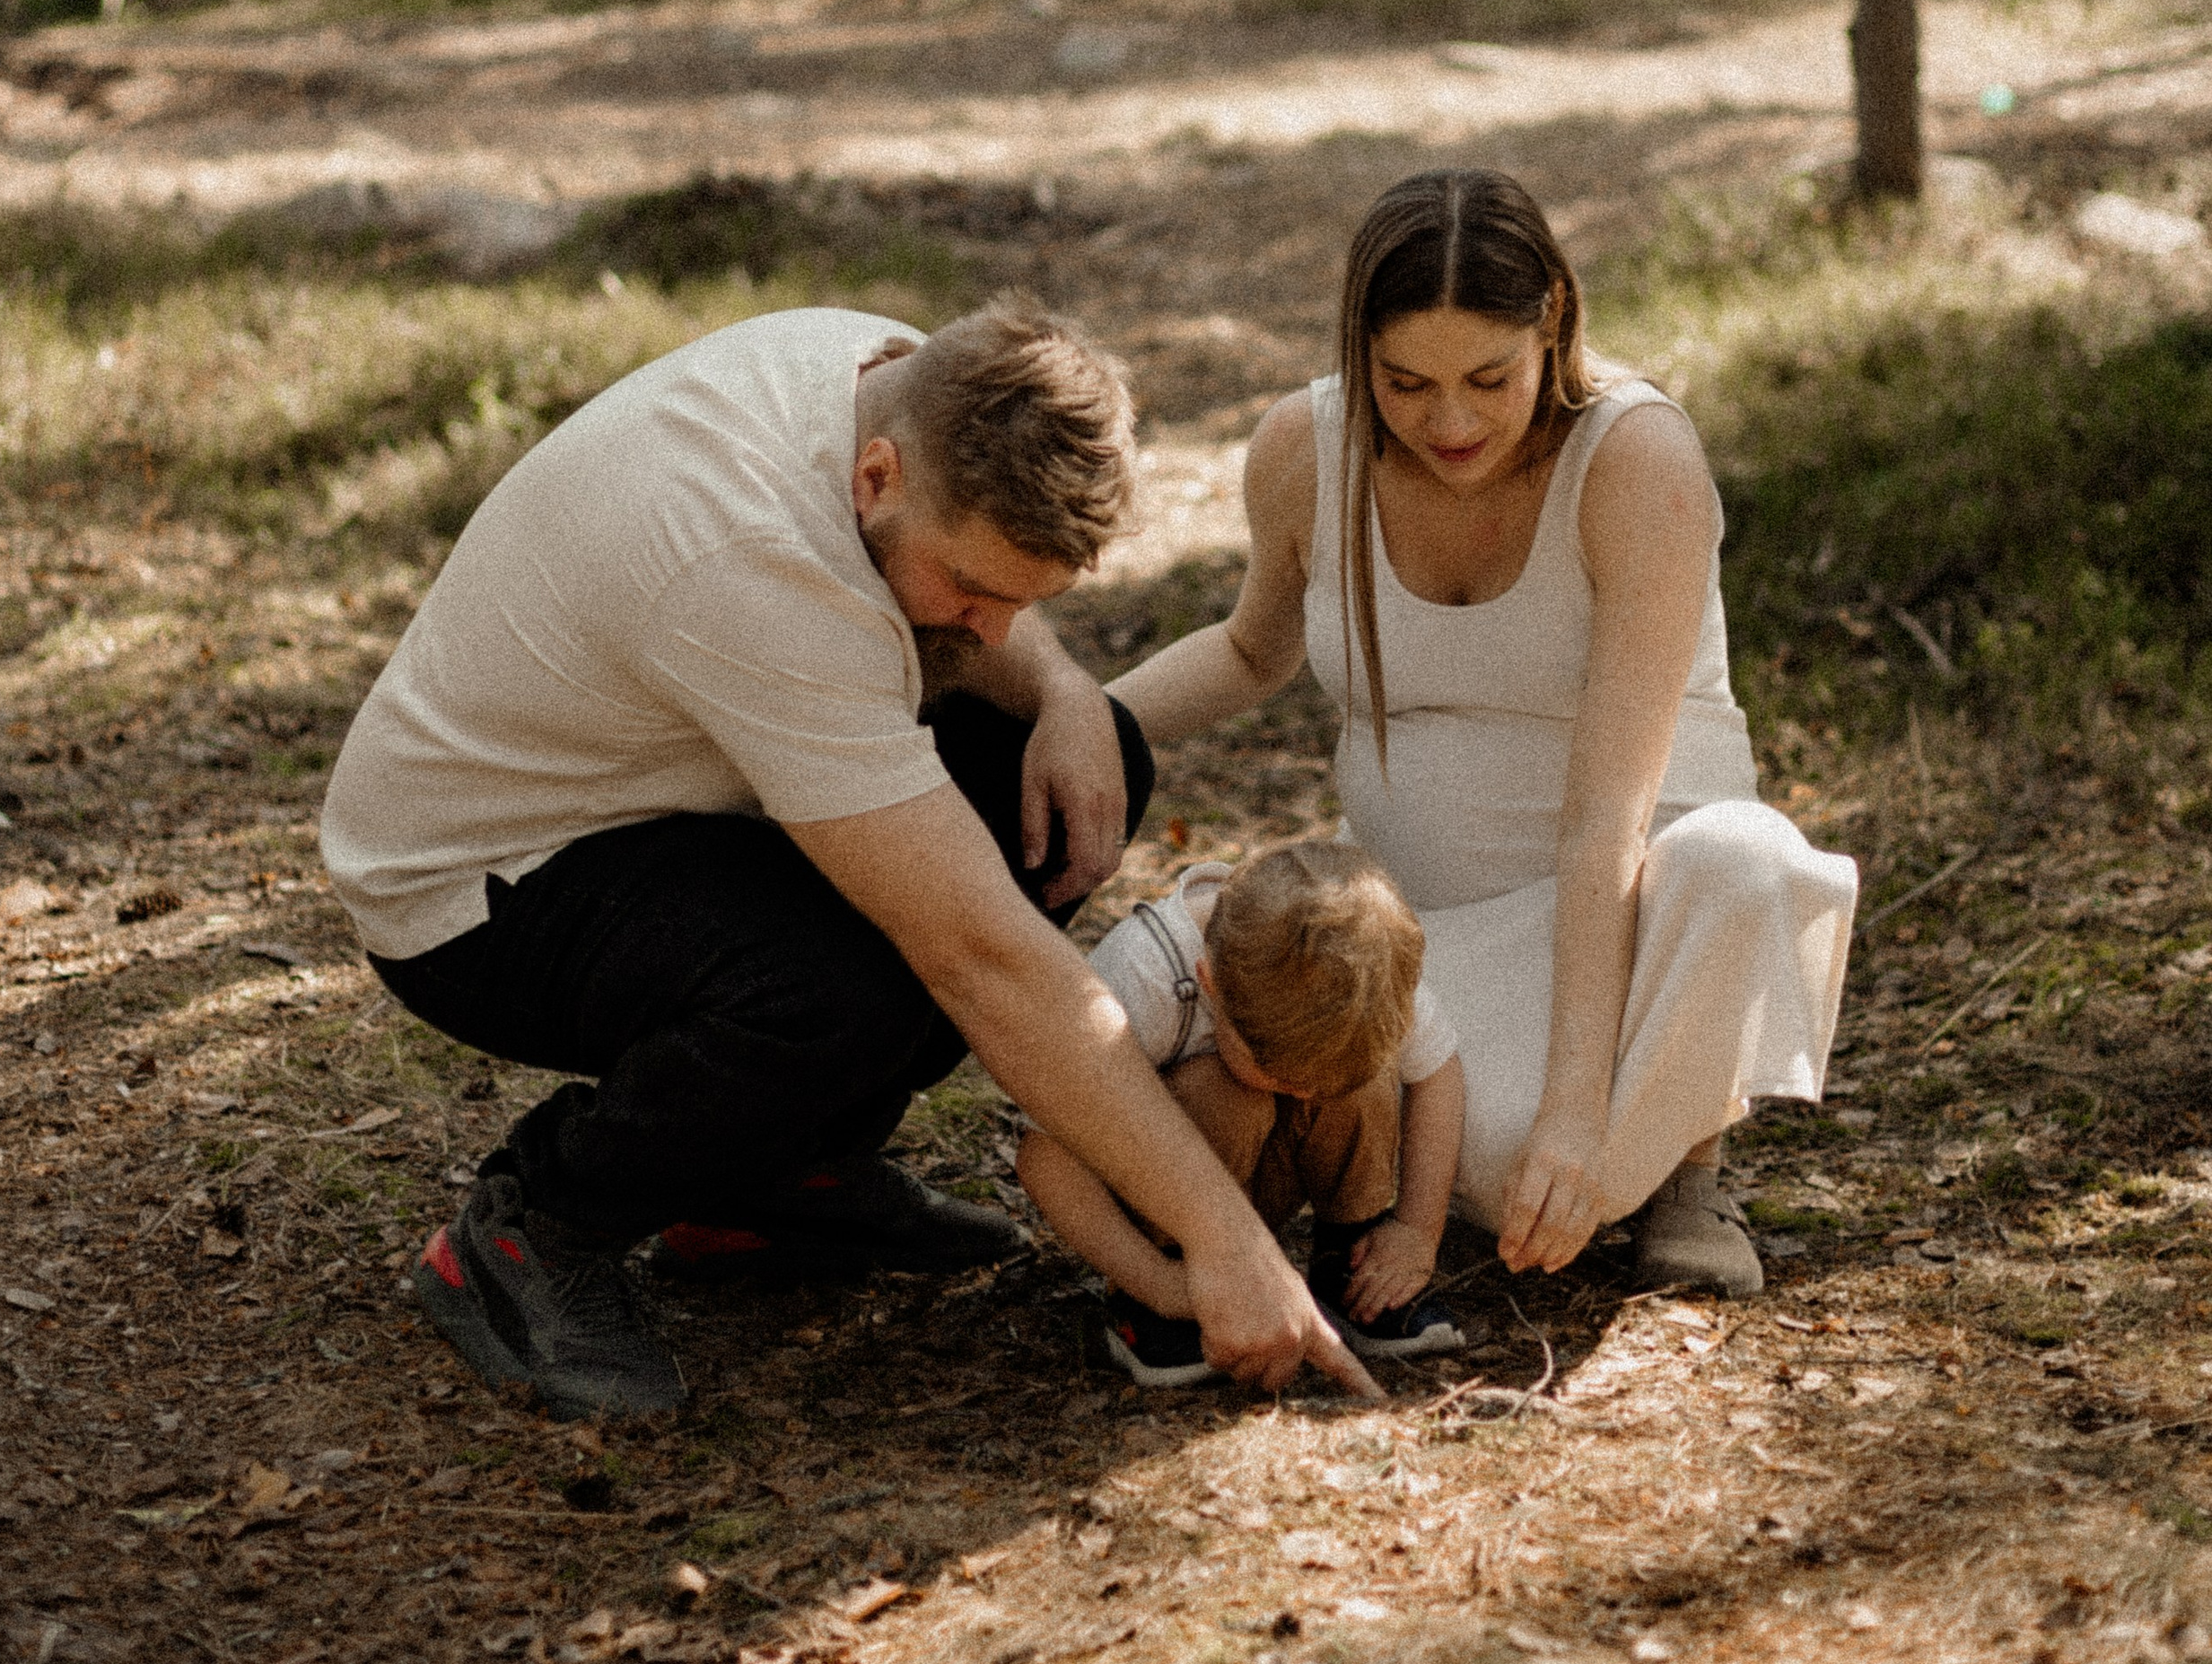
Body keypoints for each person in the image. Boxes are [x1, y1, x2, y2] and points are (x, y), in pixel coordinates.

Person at [319, 296, 1375, 1420]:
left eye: (1028, 601)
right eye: (974, 590)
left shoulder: (901, 378)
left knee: (1065, 762)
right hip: (474, 887)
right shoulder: (757, 563)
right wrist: (1225, 1240)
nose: (994, 628)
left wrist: (1067, 692)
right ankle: (539, 1226)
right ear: (877, 479)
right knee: (847, 984)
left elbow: (987, 626)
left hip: (660, 801)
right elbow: (981, 958)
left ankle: (767, 1179)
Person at [1110, 171, 1856, 1299]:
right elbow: (1251, 649)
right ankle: (1574, 1157)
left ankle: (1683, 1167)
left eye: (1487, 380)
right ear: (1357, 351)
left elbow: (1607, 816)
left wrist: (1569, 1105)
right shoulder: (1305, 448)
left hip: (1637, 917)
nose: (1448, 422)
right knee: (1475, 1146)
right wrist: (1081, 717)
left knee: (1749, 863)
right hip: (1426, 948)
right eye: (1404, 383)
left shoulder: (1634, 459)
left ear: (1551, 321)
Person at [1018, 839, 1466, 1388]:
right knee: (1227, 1092)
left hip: (1261, 1187)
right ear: (1211, 985)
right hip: (1165, 1214)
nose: (1301, 1096)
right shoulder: (1145, 975)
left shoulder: (1366, 968)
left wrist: (1417, 1230)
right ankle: (1148, 1306)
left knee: (1359, 1079)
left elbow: (1437, 1071)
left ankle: (1352, 1262)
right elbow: (1044, 1154)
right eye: (1282, 1075)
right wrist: (1157, 1281)